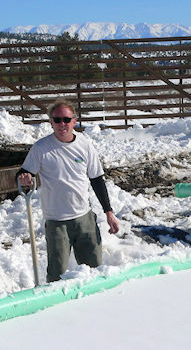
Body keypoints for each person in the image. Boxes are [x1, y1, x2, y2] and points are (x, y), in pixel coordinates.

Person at [17, 99, 120, 282]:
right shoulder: (41, 148)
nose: (62, 124)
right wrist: (24, 177)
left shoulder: (85, 145)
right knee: (56, 276)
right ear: (51, 122)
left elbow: (97, 179)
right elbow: (24, 172)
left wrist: (109, 213)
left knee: (94, 272)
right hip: (57, 222)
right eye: (57, 120)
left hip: (84, 219)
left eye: (66, 119)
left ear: (74, 121)